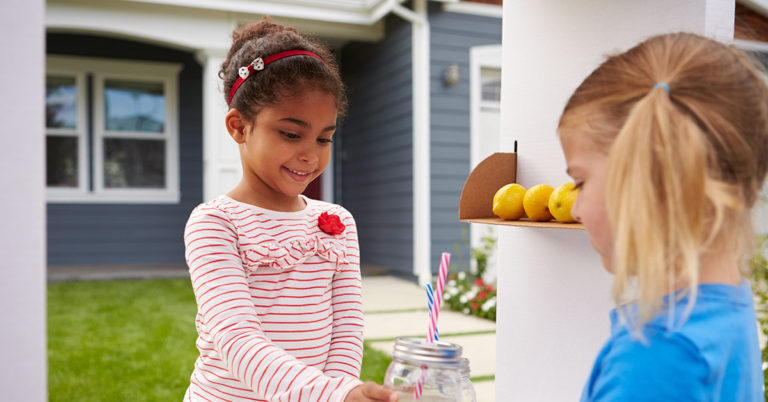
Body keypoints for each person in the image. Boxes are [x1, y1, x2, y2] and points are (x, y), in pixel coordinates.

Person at [183, 18, 397, 402]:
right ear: (239, 127)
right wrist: (330, 395)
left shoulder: (339, 222)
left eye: (324, 137)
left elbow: (346, 330)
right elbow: (237, 338)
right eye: (291, 134)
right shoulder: (215, 223)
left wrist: (338, 390)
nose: (310, 154)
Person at [558, 32, 768, 401]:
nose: (574, 209)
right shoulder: (726, 312)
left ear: (650, 178)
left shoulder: (655, 358)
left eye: (579, 181)